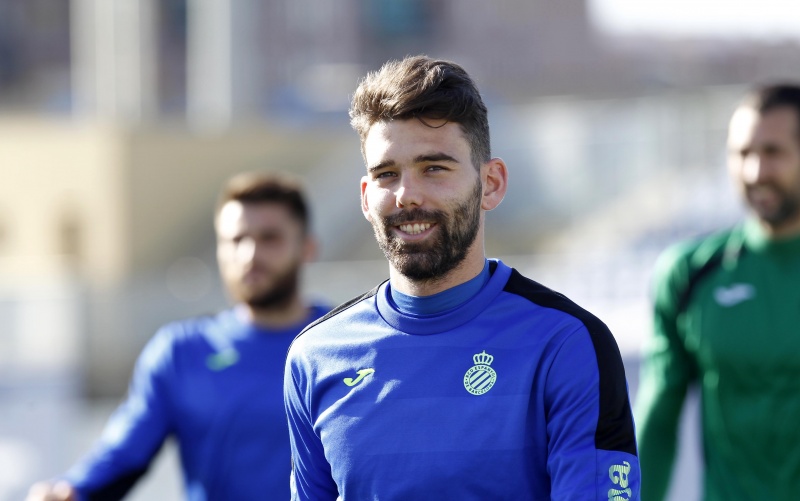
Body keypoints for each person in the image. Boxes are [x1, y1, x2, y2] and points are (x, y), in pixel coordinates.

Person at [283, 55, 640, 500]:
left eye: (434, 168)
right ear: (365, 197)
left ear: (491, 183)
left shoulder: (566, 343)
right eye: (387, 174)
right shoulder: (316, 355)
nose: (407, 195)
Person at [27, 172, 329, 501]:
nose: (249, 255)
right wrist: (71, 490)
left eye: (269, 238)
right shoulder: (181, 352)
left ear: (307, 248)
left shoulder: (342, 345)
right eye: (236, 240)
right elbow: (123, 454)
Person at [635, 83, 800, 500]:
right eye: (742, 153)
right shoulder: (691, 274)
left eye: (773, 152)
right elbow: (658, 418)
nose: (755, 172)